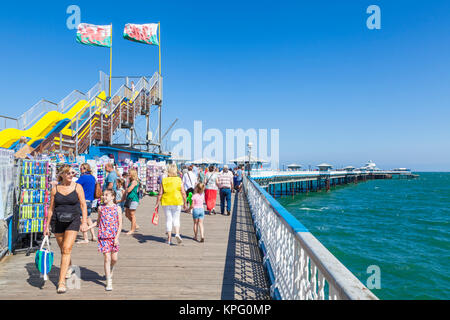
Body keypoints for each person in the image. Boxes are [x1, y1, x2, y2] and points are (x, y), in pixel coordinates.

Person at [44, 164, 88, 294]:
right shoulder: (55, 189)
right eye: (68, 173)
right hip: (57, 221)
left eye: (72, 173)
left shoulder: (77, 187)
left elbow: (83, 205)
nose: (71, 175)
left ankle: (61, 281)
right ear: (62, 175)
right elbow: (51, 209)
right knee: (63, 248)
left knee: (66, 249)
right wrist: (46, 226)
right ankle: (69, 266)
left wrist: (84, 222)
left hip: (73, 221)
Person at [86, 189, 122, 291]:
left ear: (113, 197)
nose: (104, 197)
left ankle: (111, 268)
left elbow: (120, 224)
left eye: (107, 195)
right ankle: (108, 280)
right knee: (107, 258)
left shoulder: (117, 208)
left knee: (114, 259)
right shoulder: (101, 208)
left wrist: (117, 237)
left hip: (113, 237)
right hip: (103, 237)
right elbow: (97, 222)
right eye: (103, 195)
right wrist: (88, 228)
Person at [155, 163, 187, 245]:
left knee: (168, 220)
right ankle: (177, 233)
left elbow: (160, 193)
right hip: (177, 201)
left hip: (166, 202)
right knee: (176, 219)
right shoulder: (179, 180)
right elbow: (183, 192)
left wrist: (157, 204)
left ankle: (169, 239)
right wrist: (185, 203)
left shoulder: (164, 180)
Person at [75, 163, 97, 243]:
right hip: (90, 200)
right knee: (88, 218)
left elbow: (75, 185)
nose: (80, 170)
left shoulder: (83, 177)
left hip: (83, 200)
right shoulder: (92, 177)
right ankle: (93, 236)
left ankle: (85, 238)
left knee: (82, 219)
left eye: (81, 168)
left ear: (85, 169)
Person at [124, 169, 140, 235]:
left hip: (133, 199)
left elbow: (129, 190)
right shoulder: (131, 181)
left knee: (132, 215)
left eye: (129, 173)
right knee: (127, 214)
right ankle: (135, 225)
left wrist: (125, 189)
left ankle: (132, 229)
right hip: (129, 199)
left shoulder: (134, 181)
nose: (128, 174)